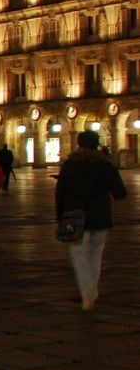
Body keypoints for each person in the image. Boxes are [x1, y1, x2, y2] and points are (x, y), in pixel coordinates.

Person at [55, 130, 127, 310]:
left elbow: (60, 193)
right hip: (100, 216)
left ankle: (87, 291)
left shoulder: (70, 165)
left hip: (75, 216)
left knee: (79, 255)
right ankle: (92, 290)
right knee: (96, 255)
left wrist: (60, 216)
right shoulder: (106, 165)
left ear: (79, 144)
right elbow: (120, 193)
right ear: (97, 144)